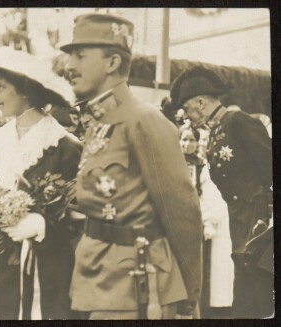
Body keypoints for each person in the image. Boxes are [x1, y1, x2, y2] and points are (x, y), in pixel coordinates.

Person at [61, 13, 203, 319]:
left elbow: (182, 213)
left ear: (112, 63)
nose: (68, 66)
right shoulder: (97, 124)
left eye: (80, 56)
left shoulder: (144, 121)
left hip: (139, 287)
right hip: (97, 279)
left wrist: (189, 296)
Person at [0, 46, 82, 320]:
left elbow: (83, 215)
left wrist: (44, 224)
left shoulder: (65, 146)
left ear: (26, 91)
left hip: (48, 268)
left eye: (1, 87)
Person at [170, 66, 273, 318]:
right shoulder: (217, 130)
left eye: (188, 110)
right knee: (246, 301)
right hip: (240, 223)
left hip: (257, 222)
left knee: (257, 299)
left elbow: (270, 166)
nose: (187, 117)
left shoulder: (238, 122)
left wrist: (268, 217)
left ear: (202, 103)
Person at [179, 126, 234, 318]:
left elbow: (205, 193)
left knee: (199, 263)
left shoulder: (202, 165)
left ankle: (197, 306)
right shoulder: (173, 163)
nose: (188, 144)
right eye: (184, 140)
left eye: (192, 140)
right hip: (177, 216)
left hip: (197, 217)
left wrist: (207, 219)